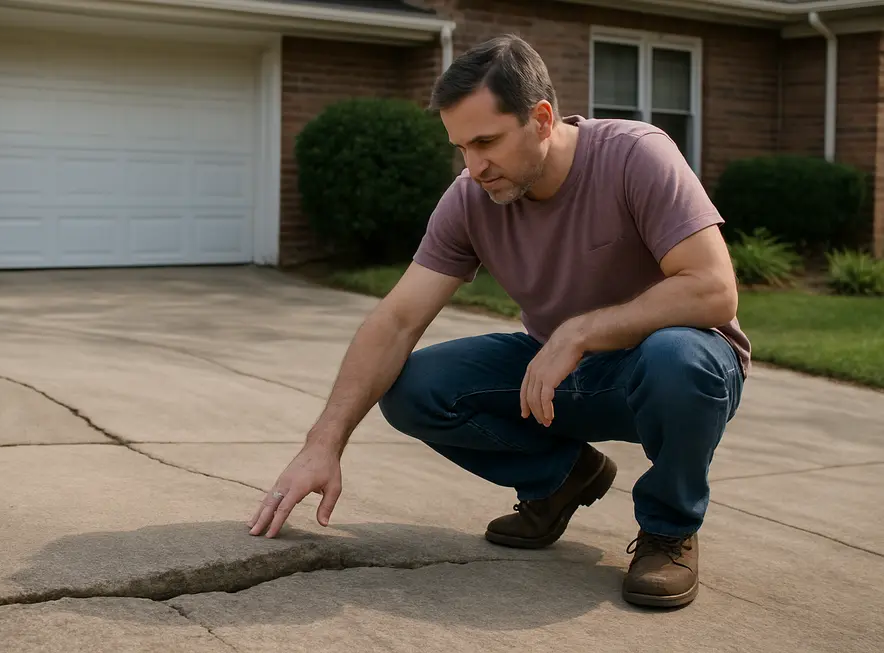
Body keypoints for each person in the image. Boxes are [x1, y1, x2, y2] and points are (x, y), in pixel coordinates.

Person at [247, 34, 750, 610]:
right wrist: (323, 443)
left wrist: (579, 331)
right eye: (462, 147)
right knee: (413, 388)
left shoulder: (635, 155)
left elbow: (713, 289)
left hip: (667, 372)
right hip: (561, 376)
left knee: (678, 358)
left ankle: (668, 530)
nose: (475, 166)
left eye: (487, 141)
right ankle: (562, 479)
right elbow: (397, 319)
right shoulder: (470, 198)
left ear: (542, 119)